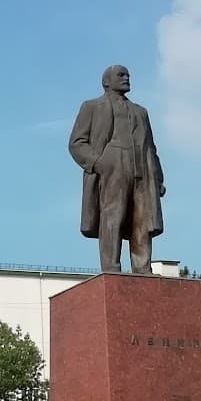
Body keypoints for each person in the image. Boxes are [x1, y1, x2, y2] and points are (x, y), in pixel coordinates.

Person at [69, 65, 166, 275]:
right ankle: (111, 268)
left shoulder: (141, 112)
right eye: (121, 75)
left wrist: (158, 177)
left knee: (141, 219)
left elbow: (151, 147)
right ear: (106, 82)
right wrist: (98, 163)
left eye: (128, 75)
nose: (126, 78)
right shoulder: (92, 107)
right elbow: (77, 143)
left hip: (141, 167)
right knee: (113, 216)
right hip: (112, 166)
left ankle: (142, 268)